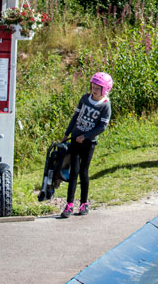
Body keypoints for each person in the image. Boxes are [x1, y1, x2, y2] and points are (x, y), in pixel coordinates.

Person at [61, 71, 113, 218]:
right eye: (93, 87)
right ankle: (69, 204)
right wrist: (67, 134)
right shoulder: (84, 99)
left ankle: (84, 203)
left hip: (89, 143)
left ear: (105, 90)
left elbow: (102, 127)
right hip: (75, 140)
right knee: (73, 172)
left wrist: (85, 136)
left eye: (97, 88)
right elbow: (75, 116)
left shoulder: (105, 106)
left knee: (83, 172)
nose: (94, 90)